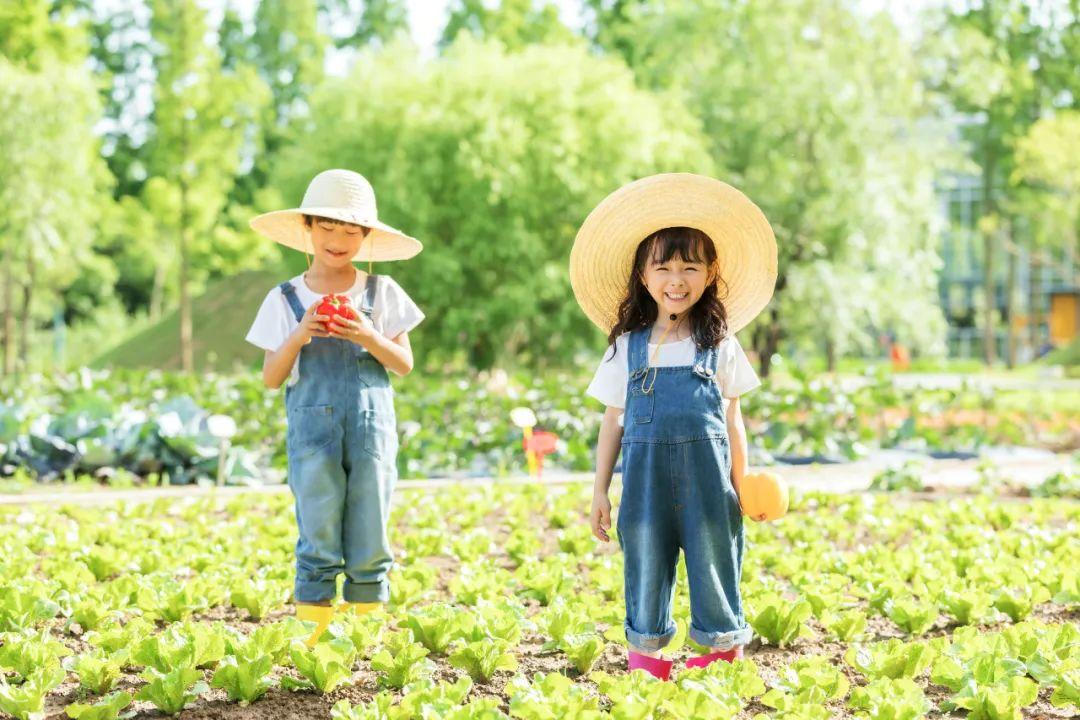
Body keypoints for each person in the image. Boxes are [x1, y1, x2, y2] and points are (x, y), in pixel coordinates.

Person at [570, 173, 777, 679]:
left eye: (689, 266)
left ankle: (718, 665)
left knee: (714, 568)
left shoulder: (720, 343)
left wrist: (741, 484)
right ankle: (648, 669)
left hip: (710, 486)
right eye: (663, 267)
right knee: (644, 567)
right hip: (643, 489)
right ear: (644, 277)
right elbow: (612, 421)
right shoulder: (627, 346)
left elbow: (733, 418)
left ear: (709, 274)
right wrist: (600, 490)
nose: (676, 279)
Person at [245, 169, 424, 645]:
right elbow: (270, 377)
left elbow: (403, 363)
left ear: (365, 237)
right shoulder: (285, 298)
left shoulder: (381, 292)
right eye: (327, 227)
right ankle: (313, 644)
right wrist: (302, 331)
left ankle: (367, 643)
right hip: (312, 436)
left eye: (350, 230)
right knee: (318, 533)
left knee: (370, 533)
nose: (338, 239)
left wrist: (366, 334)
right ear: (308, 228)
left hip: (372, 434)